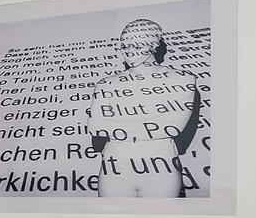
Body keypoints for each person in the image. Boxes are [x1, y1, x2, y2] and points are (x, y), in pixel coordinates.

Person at [83, 18, 202, 198]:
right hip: (114, 167)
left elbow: (173, 126)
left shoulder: (182, 79)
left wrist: (116, 124)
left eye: (136, 45)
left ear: (153, 45)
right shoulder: (106, 83)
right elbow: (96, 127)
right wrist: (151, 121)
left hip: (161, 168)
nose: (129, 52)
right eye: (124, 46)